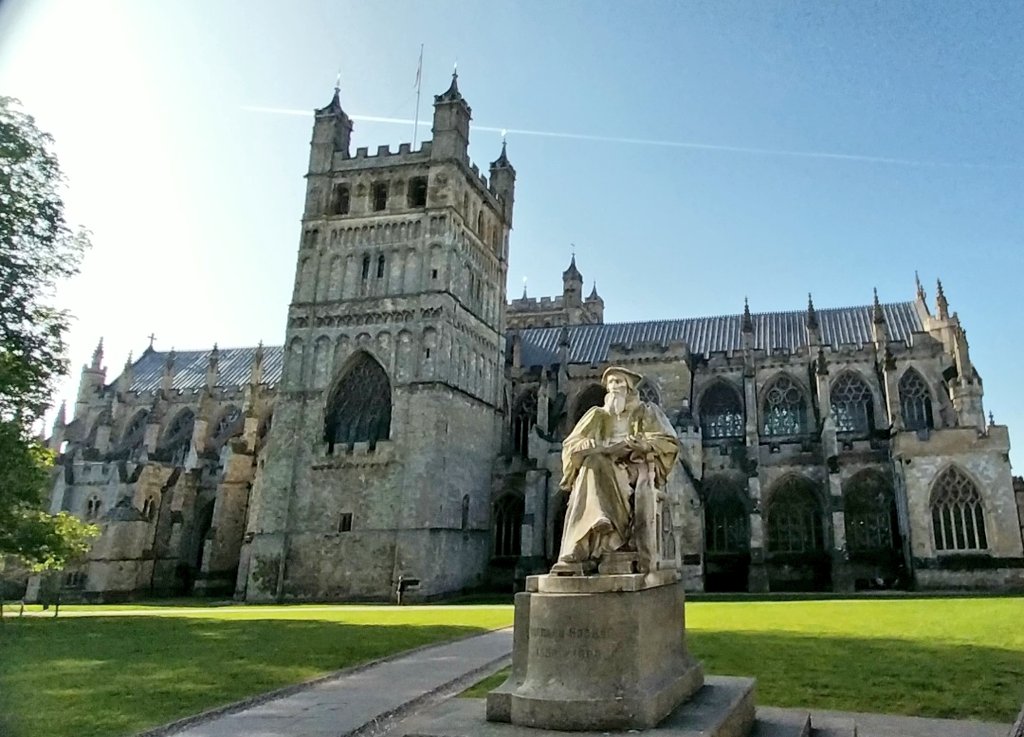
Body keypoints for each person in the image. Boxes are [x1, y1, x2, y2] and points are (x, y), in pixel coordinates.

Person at [551, 367, 680, 575]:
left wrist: (642, 445)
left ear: (628, 388)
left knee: (596, 465)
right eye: (610, 383)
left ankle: (595, 530)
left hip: (633, 468)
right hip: (601, 466)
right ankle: (586, 536)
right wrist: (587, 444)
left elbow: (668, 441)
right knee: (592, 462)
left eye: (619, 382)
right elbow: (570, 444)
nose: (614, 387)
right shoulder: (596, 415)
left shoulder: (647, 411)